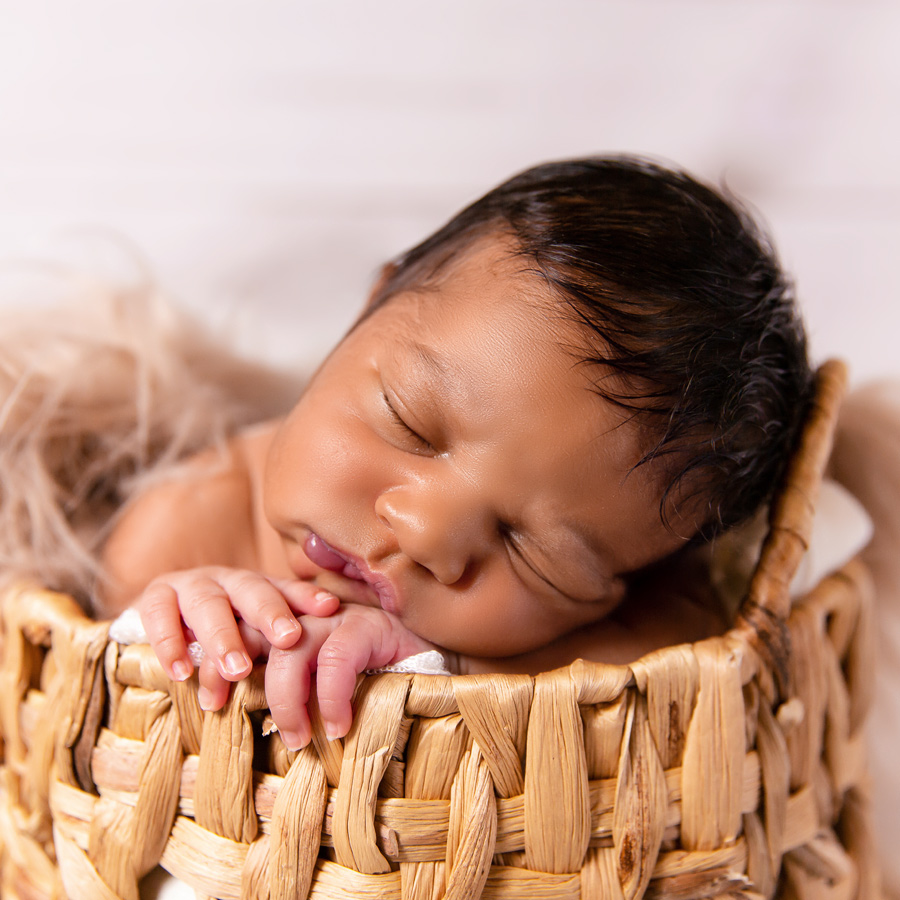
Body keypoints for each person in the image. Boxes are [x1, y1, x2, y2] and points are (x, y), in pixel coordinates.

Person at [96, 156, 813, 750]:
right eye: (410, 423)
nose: (425, 533)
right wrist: (188, 614)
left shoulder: (629, 612)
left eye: (534, 550)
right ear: (367, 310)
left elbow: (687, 662)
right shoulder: (192, 514)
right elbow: (102, 683)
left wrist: (446, 664)